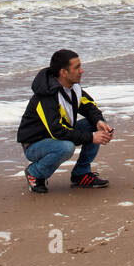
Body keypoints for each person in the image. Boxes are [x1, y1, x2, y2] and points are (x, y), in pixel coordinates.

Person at [16, 48, 113, 194]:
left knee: (96, 125)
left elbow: (88, 106)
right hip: (35, 144)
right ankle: (35, 173)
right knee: (66, 147)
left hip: (57, 136)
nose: (82, 71)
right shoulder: (47, 95)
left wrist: (99, 121)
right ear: (63, 72)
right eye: (77, 67)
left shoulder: (73, 87)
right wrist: (91, 137)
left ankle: (81, 174)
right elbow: (56, 130)